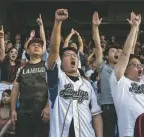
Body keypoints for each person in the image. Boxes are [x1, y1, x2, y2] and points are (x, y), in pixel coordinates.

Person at [46, 9, 103, 137]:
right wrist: (58, 22)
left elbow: (96, 115)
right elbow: (54, 51)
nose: (72, 57)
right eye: (67, 55)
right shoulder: (57, 79)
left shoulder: (87, 85)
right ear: (61, 61)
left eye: (74, 55)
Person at [110, 11, 144, 137]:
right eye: (135, 65)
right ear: (125, 69)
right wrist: (134, 28)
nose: (140, 68)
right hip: (129, 132)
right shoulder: (119, 82)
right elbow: (126, 53)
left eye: (140, 65)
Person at [11, 38, 49, 137]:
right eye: (33, 45)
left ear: (42, 50)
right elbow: (15, 90)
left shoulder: (47, 66)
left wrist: (48, 107)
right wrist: (13, 109)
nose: (37, 46)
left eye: (39, 45)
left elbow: (53, 88)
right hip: (24, 113)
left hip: (42, 113)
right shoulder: (21, 69)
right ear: (27, 50)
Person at [92, 11, 122, 137]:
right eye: (113, 51)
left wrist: (135, 28)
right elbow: (98, 46)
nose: (116, 53)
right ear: (107, 56)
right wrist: (95, 27)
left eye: (118, 51)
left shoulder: (124, 70)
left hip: (122, 107)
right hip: (108, 107)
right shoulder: (103, 67)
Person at [0, 26, 20, 102]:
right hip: (3, 86)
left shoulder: (18, 64)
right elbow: (2, 50)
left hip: (13, 87)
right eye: (12, 52)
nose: (14, 54)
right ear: (8, 54)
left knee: (12, 108)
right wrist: (2, 37)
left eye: (16, 53)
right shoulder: (4, 62)